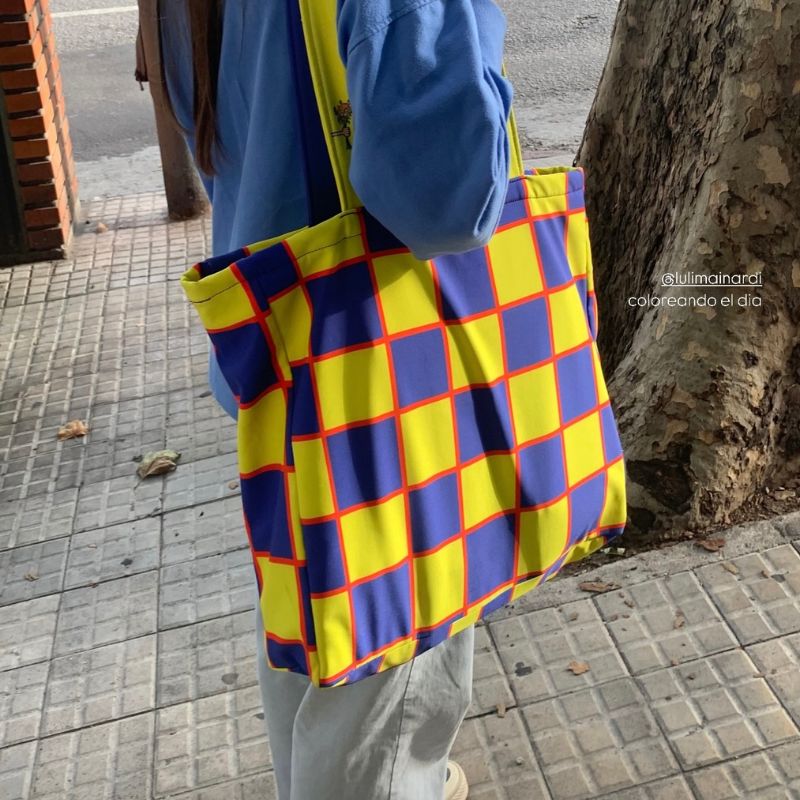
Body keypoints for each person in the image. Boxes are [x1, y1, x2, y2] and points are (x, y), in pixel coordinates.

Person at [159, 2, 514, 798]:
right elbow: (450, 201)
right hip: (381, 383)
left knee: (314, 633)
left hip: (282, 362)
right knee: (384, 683)